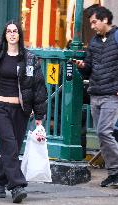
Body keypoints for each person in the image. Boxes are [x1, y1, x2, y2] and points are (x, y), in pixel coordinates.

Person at [0, 20, 47, 203]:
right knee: (9, 144)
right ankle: (16, 186)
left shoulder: (30, 58)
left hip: (21, 110)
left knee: (12, 148)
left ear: (19, 35)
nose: (12, 34)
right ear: (5, 35)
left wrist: (39, 115)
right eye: (9, 31)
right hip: (0, 108)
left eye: (15, 31)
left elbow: (38, 87)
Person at [74, 6, 118, 187]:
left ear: (105, 20)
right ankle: (114, 173)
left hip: (111, 95)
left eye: (94, 22)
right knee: (102, 136)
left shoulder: (117, 37)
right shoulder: (94, 42)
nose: (92, 26)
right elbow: (89, 66)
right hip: (95, 94)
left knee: (103, 131)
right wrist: (82, 65)